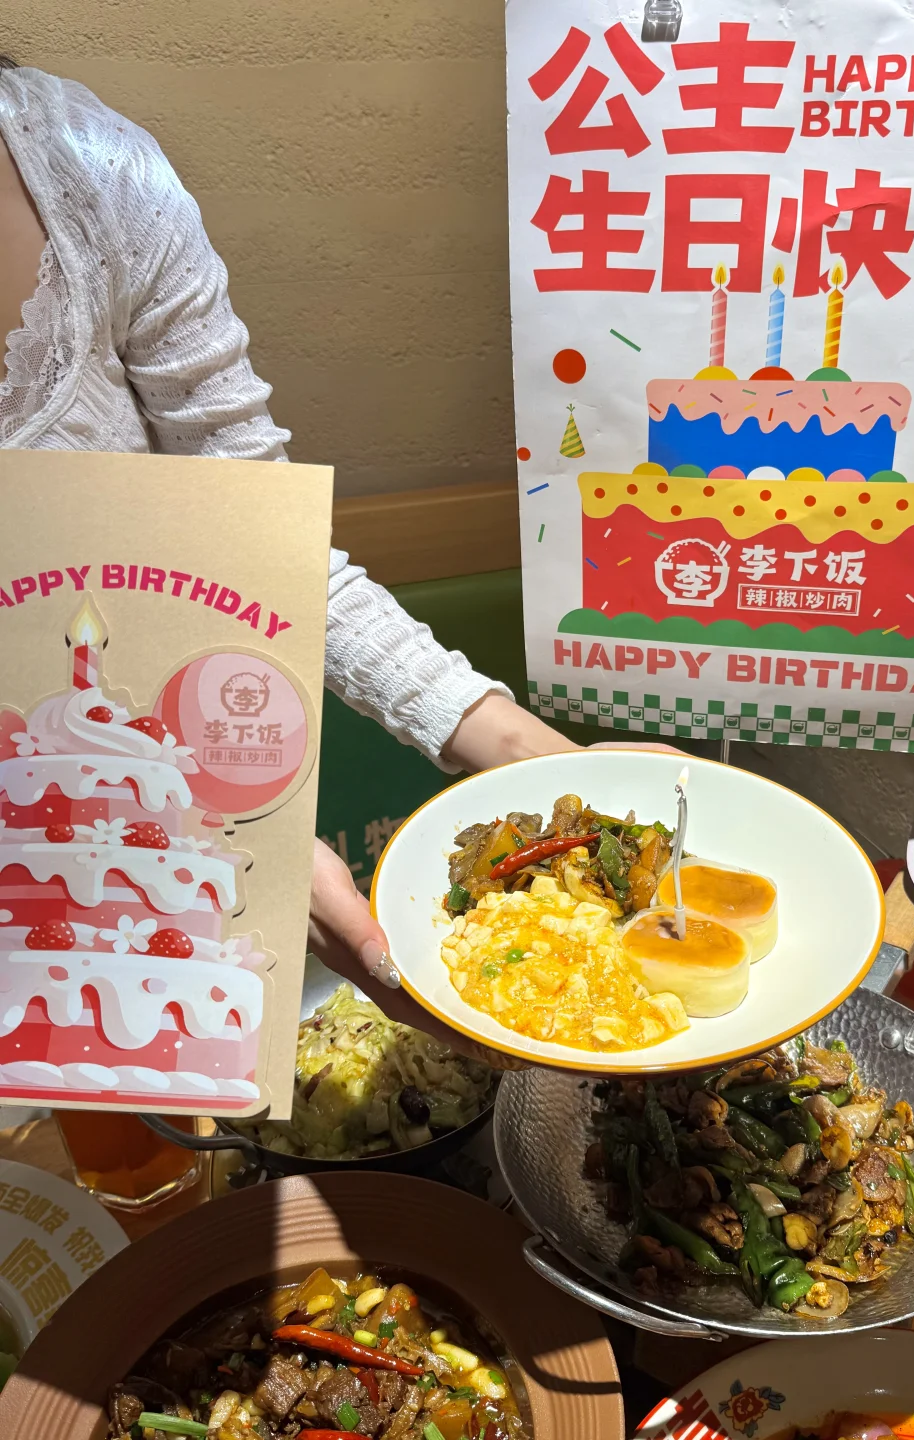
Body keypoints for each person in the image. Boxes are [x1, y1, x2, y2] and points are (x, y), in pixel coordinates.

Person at [0, 61, 675, 1045]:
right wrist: (213, 832)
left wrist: (514, 746)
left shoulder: (88, 168)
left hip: (142, 809)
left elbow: (254, 540)